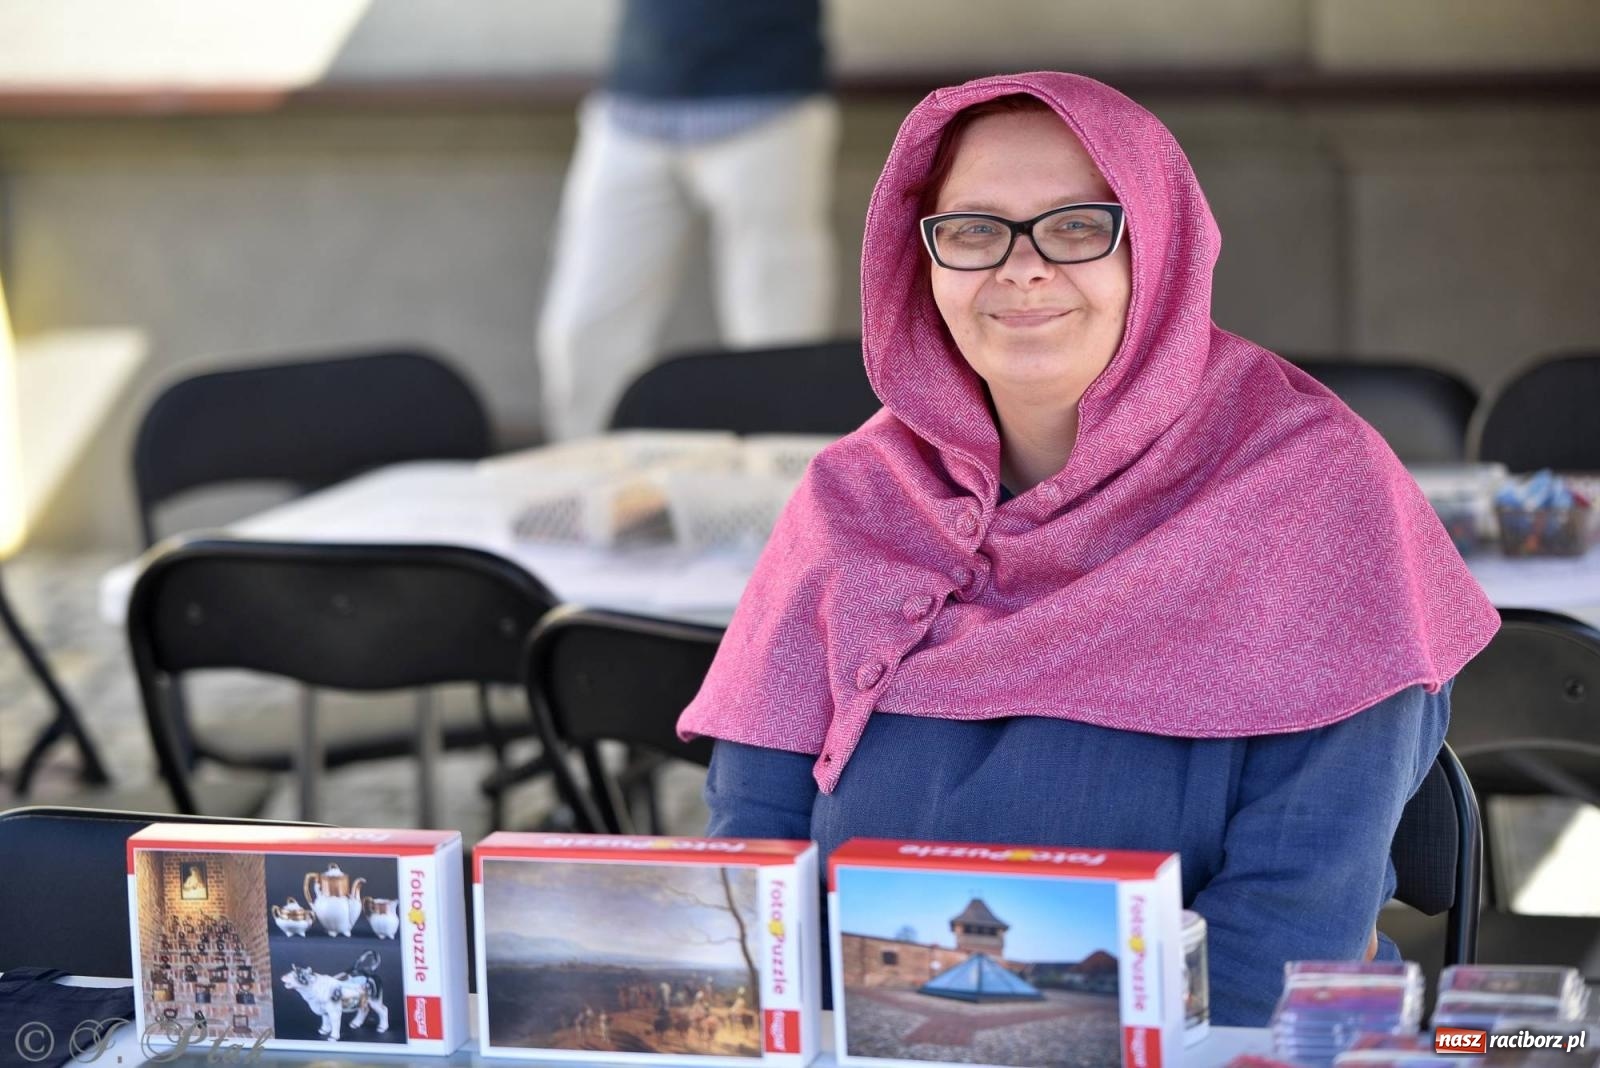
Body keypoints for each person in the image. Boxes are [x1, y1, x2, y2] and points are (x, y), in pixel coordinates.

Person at [677, 71, 1499, 1026]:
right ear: (921, 263)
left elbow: (1289, 924)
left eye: (1076, 226)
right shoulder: (852, 497)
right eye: (975, 231)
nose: (1021, 270)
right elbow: (755, 858)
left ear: (1160, 249)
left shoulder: (1315, 493)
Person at [537, 0, 839, 441]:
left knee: (778, 339)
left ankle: (788, 496)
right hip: (633, 106)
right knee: (583, 330)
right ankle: (585, 480)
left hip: (768, 104)